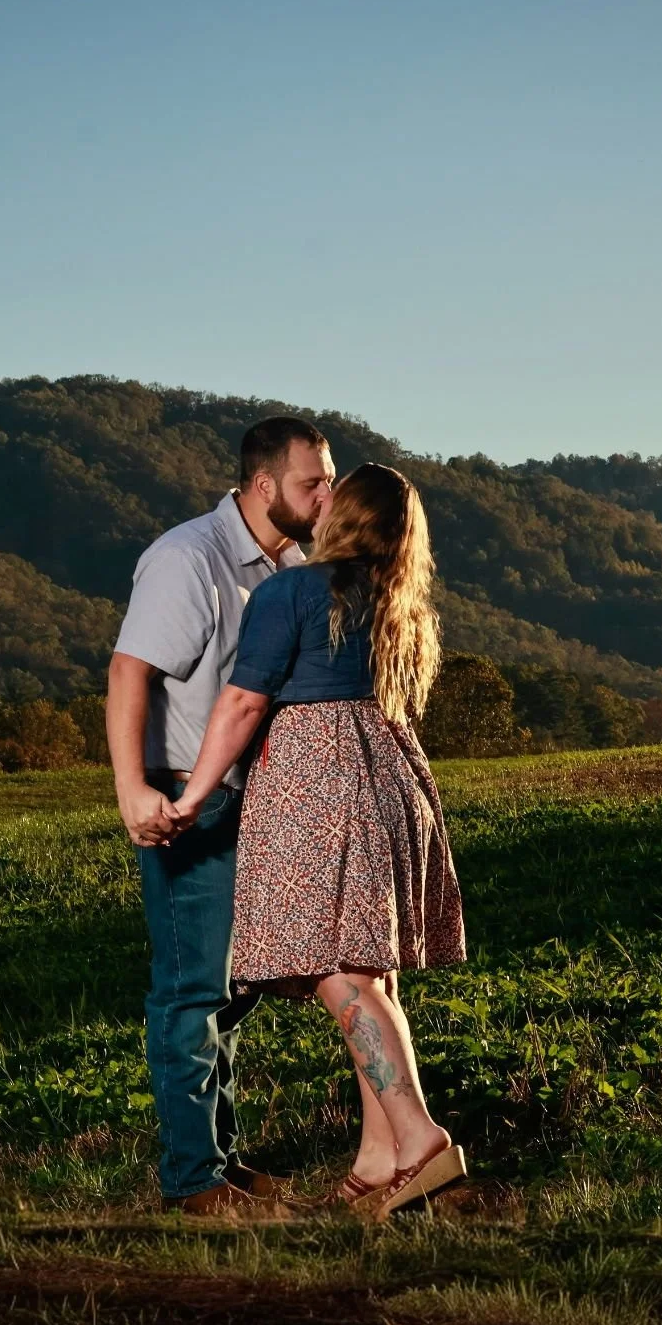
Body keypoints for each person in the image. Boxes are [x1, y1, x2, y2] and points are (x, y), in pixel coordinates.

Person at [163, 462, 467, 1220]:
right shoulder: (402, 603)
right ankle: (377, 1161)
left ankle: (421, 1139)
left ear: (344, 515)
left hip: (315, 779)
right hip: (390, 771)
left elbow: (239, 704)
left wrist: (192, 796)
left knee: (334, 966)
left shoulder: (294, 590)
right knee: (370, 970)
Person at [105, 415, 335, 1219]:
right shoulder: (187, 558)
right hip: (184, 798)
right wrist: (133, 790)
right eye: (313, 482)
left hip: (252, 798)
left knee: (232, 993)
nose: (326, 495)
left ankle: (221, 1162)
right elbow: (130, 670)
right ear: (266, 484)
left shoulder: (296, 566)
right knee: (189, 993)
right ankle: (191, 1183)